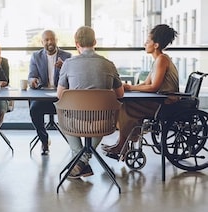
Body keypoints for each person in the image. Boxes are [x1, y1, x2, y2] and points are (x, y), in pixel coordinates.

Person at [102, 24, 179, 159]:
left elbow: (154, 87)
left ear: (156, 45)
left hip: (165, 104)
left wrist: (131, 88)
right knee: (125, 103)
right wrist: (128, 87)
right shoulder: (158, 60)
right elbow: (146, 84)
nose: (145, 43)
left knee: (124, 105)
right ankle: (123, 144)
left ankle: (122, 145)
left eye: (148, 41)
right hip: (159, 100)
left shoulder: (162, 59)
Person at [57, 26, 124, 178]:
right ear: (95, 42)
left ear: (76, 44)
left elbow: (60, 95)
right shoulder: (109, 64)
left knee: (61, 112)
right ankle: (83, 162)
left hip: (74, 121)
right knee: (101, 113)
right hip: (103, 122)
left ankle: (80, 160)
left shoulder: (68, 64)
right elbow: (120, 94)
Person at [28, 30, 72, 155]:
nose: (50, 42)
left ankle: (74, 143)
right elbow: (31, 76)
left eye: (52, 39)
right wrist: (33, 81)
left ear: (56, 40)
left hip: (61, 97)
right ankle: (44, 140)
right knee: (34, 109)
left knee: (72, 109)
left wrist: (64, 67)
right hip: (43, 96)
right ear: (42, 42)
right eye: (46, 40)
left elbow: (73, 78)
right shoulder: (36, 56)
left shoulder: (67, 56)